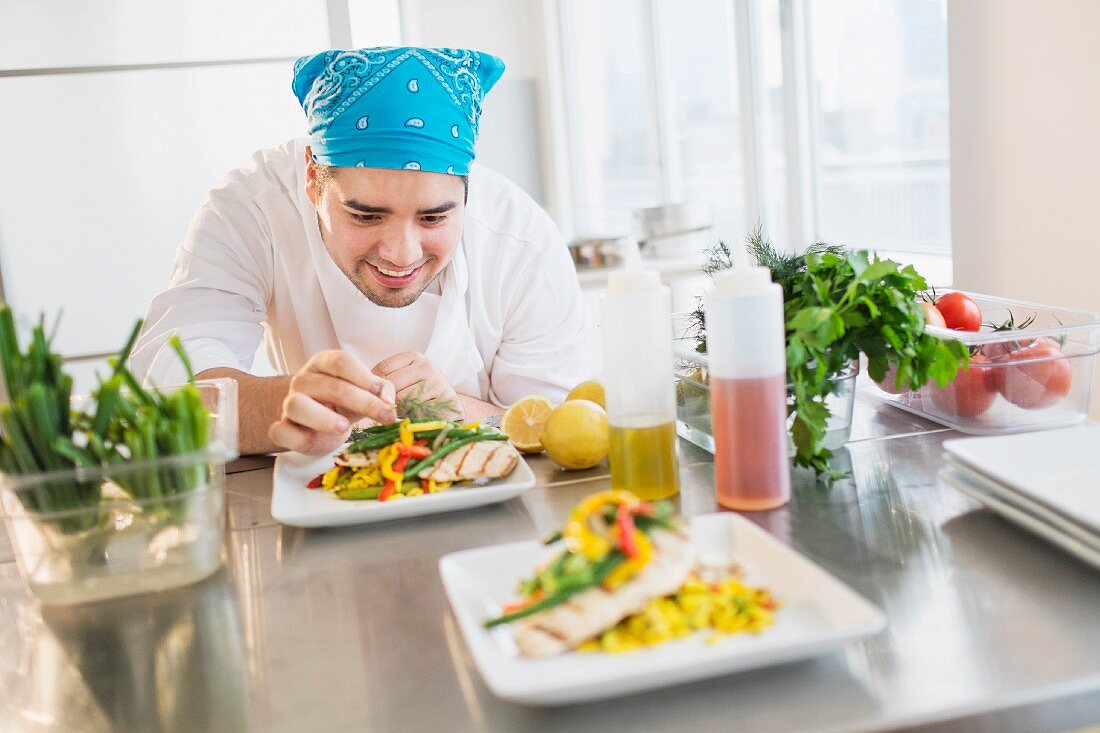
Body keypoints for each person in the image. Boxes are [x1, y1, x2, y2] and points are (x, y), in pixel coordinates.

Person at [132, 47, 590, 456]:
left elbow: (561, 430)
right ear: (313, 180)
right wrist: (281, 405)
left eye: (433, 219)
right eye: (366, 216)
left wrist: (459, 413)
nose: (401, 254)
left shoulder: (521, 243)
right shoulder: (253, 208)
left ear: (467, 195)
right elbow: (163, 392)